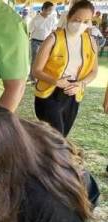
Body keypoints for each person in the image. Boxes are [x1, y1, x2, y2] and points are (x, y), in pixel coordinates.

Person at [33, 0, 98, 137]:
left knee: (63, 136)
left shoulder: (90, 41)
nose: (81, 25)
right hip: (50, 93)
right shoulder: (53, 39)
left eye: (86, 21)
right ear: (69, 17)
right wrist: (56, 81)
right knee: (56, 137)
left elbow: (94, 71)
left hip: (73, 93)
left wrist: (81, 84)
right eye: (77, 20)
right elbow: (36, 71)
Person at [29, 2, 56, 80]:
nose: (51, 11)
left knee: (46, 59)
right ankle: (32, 78)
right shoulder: (35, 19)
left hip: (47, 42)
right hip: (35, 41)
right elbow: (30, 30)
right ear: (44, 9)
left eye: (52, 10)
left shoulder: (52, 19)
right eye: (50, 9)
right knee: (35, 60)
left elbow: (54, 30)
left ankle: (43, 77)